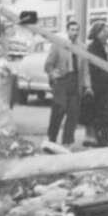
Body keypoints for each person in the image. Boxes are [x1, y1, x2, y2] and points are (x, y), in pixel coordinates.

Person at [44, 18, 82, 146]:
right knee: (59, 109)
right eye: (72, 30)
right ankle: (51, 138)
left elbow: (85, 68)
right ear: (67, 31)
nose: (75, 32)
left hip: (75, 80)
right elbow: (48, 64)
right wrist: (53, 74)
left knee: (73, 111)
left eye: (77, 30)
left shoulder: (82, 47)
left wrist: (87, 85)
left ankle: (67, 141)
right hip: (62, 81)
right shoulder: (59, 44)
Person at [85, 21, 108, 146]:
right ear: (97, 33)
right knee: (100, 113)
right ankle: (101, 139)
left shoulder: (105, 46)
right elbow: (94, 68)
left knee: (103, 113)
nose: (106, 34)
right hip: (99, 85)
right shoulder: (94, 47)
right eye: (103, 31)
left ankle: (103, 138)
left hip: (104, 85)